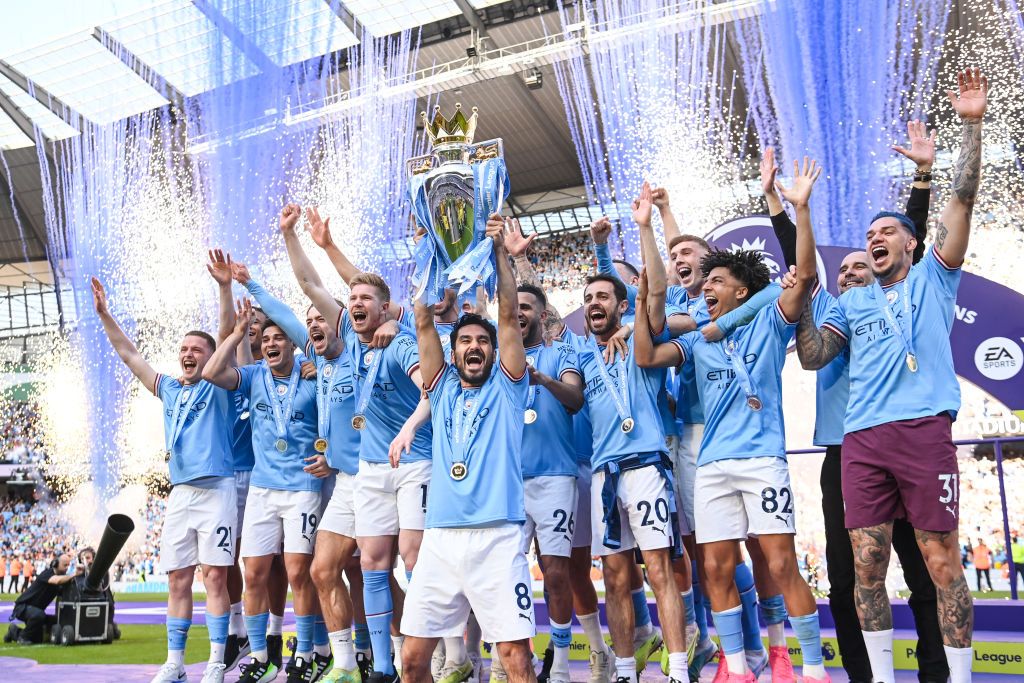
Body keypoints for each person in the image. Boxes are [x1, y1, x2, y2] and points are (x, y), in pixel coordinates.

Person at [795, 68, 988, 683]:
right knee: (865, 568)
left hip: (924, 431)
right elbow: (814, 357)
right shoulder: (852, 302)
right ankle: (879, 677)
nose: (875, 239)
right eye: (869, 234)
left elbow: (960, 202)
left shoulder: (936, 276)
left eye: (886, 233)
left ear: (910, 243)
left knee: (939, 559)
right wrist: (800, 300)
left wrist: (971, 126)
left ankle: (958, 676)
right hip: (862, 441)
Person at [635, 158, 830, 683]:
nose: (706, 287)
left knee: (781, 564)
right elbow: (649, 355)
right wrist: (647, 236)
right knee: (715, 566)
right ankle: (739, 668)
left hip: (762, 459)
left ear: (740, 291)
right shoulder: (697, 334)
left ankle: (811, 667)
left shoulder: (769, 319)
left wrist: (798, 207)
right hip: (714, 465)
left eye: (716, 280)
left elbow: (804, 275)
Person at [772, 129, 949, 683]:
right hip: (845, 457)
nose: (850, 273)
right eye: (840, 270)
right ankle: (862, 675)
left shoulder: (894, 298)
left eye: (859, 267)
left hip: (907, 438)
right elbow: (800, 270)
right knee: (849, 577)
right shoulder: (833, 313)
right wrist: (781, 206)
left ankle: (936, 672)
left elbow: (909, 243)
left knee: (924, 574)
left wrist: (921, 179)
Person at [398, 212, 536, 683]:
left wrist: (500, 253)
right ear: (453, 352)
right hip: (440, 540)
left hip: (497, 537)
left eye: (482, 342)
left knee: (516, 659)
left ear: (494, 353)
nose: (474, 347)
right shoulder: (440, 388)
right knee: (412, 662)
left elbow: (510, 317)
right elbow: (421, 322)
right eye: (465, 342)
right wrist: (425, 250)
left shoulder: (509, 387)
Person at [303, 206, 434, 683]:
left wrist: (409, 428)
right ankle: (383, 668)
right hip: (372, 469)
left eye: (365, 299)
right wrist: (322, 246)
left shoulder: (398, 342)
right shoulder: (352, 342)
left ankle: (438, 657)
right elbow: (316, 287)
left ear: (385, 308)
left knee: (415, 559)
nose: (355, 302)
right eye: (351, 298)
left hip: (417, 463)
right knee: (374, 565)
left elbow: (429, 390)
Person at [92, 276, 237, 683]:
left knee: (214, 577)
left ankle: (214, 664)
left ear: (212, 357)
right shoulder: (170, 388)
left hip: (217, 488)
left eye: (198, 349)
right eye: (185, 349)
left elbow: (226, 332)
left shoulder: (218, 384)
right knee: (177, 578)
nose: (189, 355)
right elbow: (129, 354)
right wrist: (105, 315)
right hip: (181, 492)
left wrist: (224, 289)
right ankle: (174, 663)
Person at [575, 182, 691, 683]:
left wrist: (644, 226)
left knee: (659, 569)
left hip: (645, 466)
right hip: (604, 474)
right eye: (587, 299)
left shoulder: (643, 336)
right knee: (616, 579)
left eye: (604, 296)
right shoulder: (576, 355)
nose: (594, 303)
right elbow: (524, 324)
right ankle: (624, 669)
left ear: (622, 307)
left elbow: (658, 291)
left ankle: (680, 667)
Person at [203, 296, 322, 683]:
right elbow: (211, 373)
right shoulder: (254, 375)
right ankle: (261, 657)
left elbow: (337, 421)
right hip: (262, 490)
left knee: (298, 573)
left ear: (293, 344)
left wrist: (331, 455)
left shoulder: (314, 376)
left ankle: (303, 654)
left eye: (279, 339)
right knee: (252, 572)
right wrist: (238, 333)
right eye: (266, 339)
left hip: (303, 488)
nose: (270, 344)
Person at [515, 278, 585, 683]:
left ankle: (558, 662)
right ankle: (517, 657)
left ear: (541, 315)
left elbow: (575, 400)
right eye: (515, 307)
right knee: (508, 570)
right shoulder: (499, 360)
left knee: (555, 570)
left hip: (555, 476)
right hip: (509, 482)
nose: (520, 312)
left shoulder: (562, 354)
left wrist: (542, 379)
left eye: (527, 307)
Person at [5, 553, 75, 644]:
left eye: (68, 565)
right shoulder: (47, 574)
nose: (67, 568)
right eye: (65, 565)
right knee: (39, 615)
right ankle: (22, 637)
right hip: (22, 607)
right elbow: (56, 580)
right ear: (56, 564)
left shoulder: (61, 579)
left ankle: (13, 631)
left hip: (35, 611)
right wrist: (74, 574)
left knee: (39, 637)